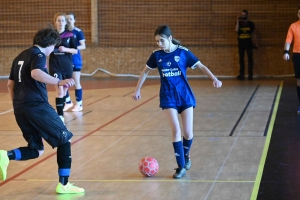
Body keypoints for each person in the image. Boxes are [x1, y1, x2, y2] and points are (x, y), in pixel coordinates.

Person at [0, 27, 84, 194]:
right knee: (64, 138)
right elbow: (36, 73)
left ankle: (4, 155)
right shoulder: (37, 55)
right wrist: (58, 82)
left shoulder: (19, 57)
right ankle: (64, 184)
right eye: (53, 46)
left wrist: (18, 105)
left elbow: (10, 85)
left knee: (36, 149)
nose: (52, 51)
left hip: (20, 109)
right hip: (37, 107)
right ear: (50, 43)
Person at [132, 25, 222, 179]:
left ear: (170, 38)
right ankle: (180, 167)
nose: (159, 44)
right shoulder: (156, 55)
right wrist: (137, 89)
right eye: (157, 41)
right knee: (176, 131)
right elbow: (145, 71)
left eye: (162, 41)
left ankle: (185, 155)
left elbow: (201, 66)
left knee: (188, 132)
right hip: (168, 97)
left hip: (185, 96)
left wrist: (214, 78)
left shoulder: (183, 52)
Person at [49, 13, 78, 122]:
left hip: (67, 66)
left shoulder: (70, 35)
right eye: (59, 20)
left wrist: (65, 49)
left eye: (62, 21)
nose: (61, 23)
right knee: (59, 91)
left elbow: (75, 50)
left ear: (66, 23)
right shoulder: (51, 35)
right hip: (55, 66)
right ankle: (60, 116)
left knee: (64, 91)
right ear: (55, 22)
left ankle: (61, 109)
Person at [64, 12, 86, 112]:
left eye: (70, 19)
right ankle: (68, 102)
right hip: (64, 60)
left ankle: (79, 104)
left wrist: (72, 48)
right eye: (67, 19)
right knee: (63, 81)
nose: (68, 20)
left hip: (75, 60)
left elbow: (83, 46)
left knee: (76, 82)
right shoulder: (63, 32)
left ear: (74, 20)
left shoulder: (77, 31)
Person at [283, 7, 300, 113]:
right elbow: (288, 41)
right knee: (299, 79)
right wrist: (286, 52)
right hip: (298, 54)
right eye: (299, 13)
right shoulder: (293, 26)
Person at [235, 10, 257, 80]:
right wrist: (238, 20)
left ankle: (250, 75)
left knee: (250, 59)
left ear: (247, 15)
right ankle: (242, 75)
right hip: (241, 43)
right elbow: (236, 30)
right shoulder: (239, 23)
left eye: (244, 15)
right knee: (241, 59)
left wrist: (255, 42)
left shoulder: (251, 24)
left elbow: (254, 34)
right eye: (242, 15)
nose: (243, 16)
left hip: (249, 43)